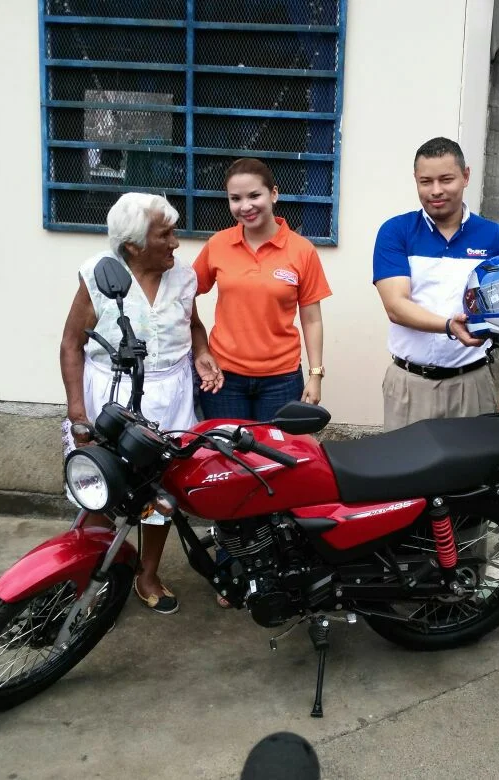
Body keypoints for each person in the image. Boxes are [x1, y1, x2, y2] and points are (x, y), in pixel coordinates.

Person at [60, 192, 224, 615]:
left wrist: (202, 351)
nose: (175, 242)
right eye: (165, 234)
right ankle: (97, 579)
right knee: (102, 490)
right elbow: (71, 345)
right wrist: (78, 414)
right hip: (110, 397)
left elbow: (194, 326)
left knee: (161, 495)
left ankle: (147, 574)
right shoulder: (98, 275)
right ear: (133, 245)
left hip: (171, 398)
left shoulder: (184, 278)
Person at [373, 137, 499, 431]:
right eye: (425, 181)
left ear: (465, 176)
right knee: (406, 473)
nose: (436, 191)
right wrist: (448, 325)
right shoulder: (396, 232)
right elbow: (396, 306)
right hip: (409, 384)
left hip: (471, 384)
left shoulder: (492, 237)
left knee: (471, 476)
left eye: (446, 179)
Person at [192, 158, 331, 421]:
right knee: (225, 456)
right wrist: (200, 346)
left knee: (275, 457)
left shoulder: (302, 250)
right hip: (223, 378)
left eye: (254, 195)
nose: (245, 206)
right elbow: (184, 293)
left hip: (281, 380)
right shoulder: (218, 244)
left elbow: (312, 319)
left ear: (274, 194)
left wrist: (315, 375)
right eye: (235, 198)